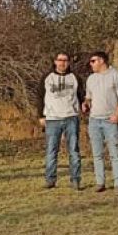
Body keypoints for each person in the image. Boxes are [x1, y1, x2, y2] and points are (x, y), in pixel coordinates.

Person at [82, 51, 118, 195]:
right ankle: (100, 182)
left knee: (114, 153)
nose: (91, 64)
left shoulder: (115, 75)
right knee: (97, 154)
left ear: (102, 60)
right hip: (94, 120)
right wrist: (86, 104)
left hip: (110, 120)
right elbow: (88, 97)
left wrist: (117, 115)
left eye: (93, 61)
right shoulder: (91, 78)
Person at [36, 51, 83, 190]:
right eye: (60, 60)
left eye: (65, 60)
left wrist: (84, 106)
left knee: (74, 150)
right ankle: (50, 179)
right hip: (52, 119)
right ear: (55, 61)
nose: (62, 63)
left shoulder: (75, 78)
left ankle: (75, 180)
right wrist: (41, 116)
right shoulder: (47, 77)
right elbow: (40, 97)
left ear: (69, 62)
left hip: (71, 118)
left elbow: (81, 95)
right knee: (51, 150)